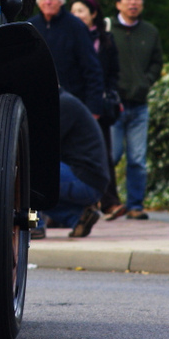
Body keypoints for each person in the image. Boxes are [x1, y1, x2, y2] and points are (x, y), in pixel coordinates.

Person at [109, 0, 163, 220]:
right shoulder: (108, 29)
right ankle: (107, 204)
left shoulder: (151, 31)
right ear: (118, 3)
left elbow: (157, 62)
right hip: (114, 105)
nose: (133, 3)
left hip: (140, 105)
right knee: (111, 156)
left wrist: (146, 82)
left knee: (138, 160)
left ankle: (135, 206)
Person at [70, 0, 125, 220]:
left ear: (93, 14)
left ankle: (110, 201)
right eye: (73, 12)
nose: (76, 16)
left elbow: (113, 73)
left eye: (81, 11)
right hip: (73, 104)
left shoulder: (106, 40)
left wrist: (108, 96)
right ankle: (78, 206)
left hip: (97, 106)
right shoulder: (68, 36)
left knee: (104, 153)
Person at [33, 88, 110, 239]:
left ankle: (36, 226)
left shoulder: (63, 104)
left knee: (28, 170)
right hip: (91, 179)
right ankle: (78, 217)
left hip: (85, 179)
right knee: (42, 191)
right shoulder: (64, 101)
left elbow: (42, 146)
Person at [29, 0, 104, 116]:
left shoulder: (76, 27)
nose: (48, 1)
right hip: (39, 103)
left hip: (73, 104)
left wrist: (94, 108)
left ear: (61, 0)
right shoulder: (31, 27)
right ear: (38, 1)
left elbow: (92, 69)